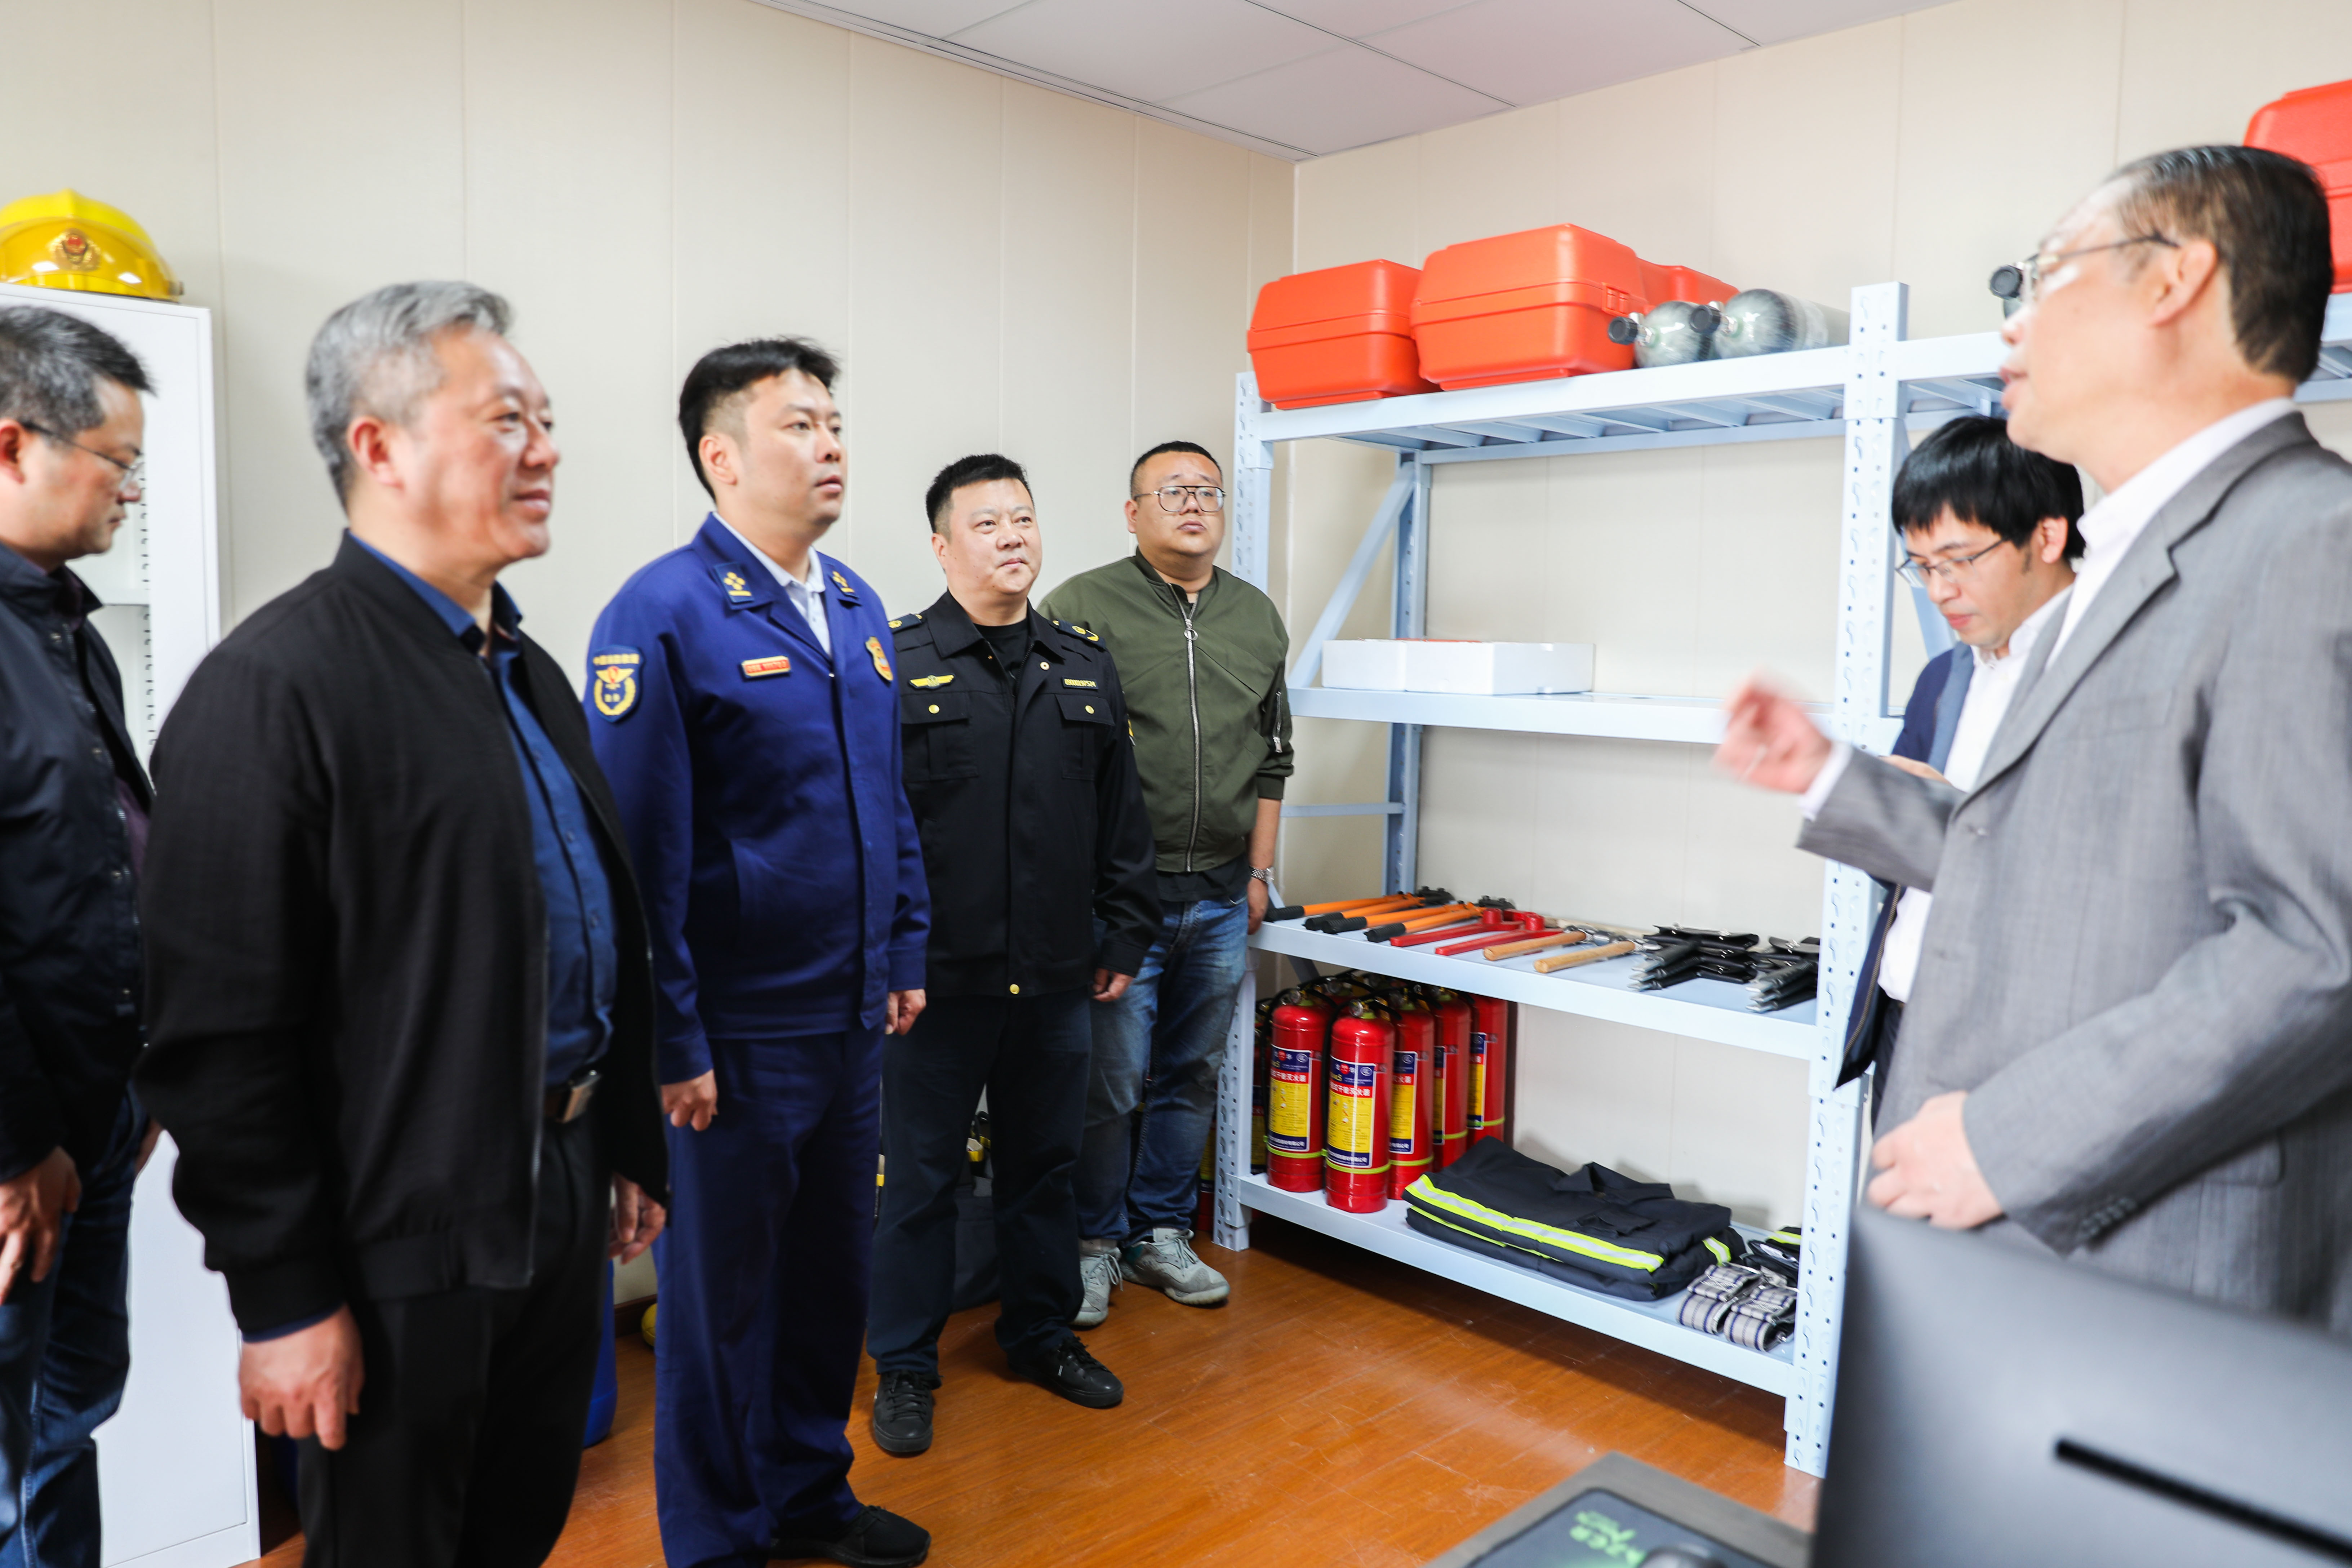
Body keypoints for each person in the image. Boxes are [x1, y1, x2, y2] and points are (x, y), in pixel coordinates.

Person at [1719, 146, 2352, 1329]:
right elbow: (2039, 859)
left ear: (2174, 281)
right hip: (2022, 1223)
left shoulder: (2316, 544)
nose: (2013, 318)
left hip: (2148, 1258)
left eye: (2048, 273)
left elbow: (2315, 951)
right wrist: (1829, 776)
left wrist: (2007, 1140)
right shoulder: (2133, 564)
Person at [134, 282, 669, 1567]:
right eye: (507, 419)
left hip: (553, 1184)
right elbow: (217, 1040)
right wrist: (284, 1298)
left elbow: (590, 930)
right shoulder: (273, 688)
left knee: (515, 1522)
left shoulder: (524, 674)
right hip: (395, 1230)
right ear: (378, 445)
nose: (546, 450)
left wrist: (621, 1143)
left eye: (546, 420)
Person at [587, 339, 930, 1568]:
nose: (829, 445)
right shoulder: (660, 613)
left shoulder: (857, 607)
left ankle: (807, 1494)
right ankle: (716, 1539)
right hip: (732, 1039)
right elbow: (638, 859)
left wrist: (904, 947)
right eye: (798, 425)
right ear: (720, 456)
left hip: (850, 1021)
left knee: (831, 1280)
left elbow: (888, 801)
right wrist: (670, 1039)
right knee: (719, 1305)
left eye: (834, 423)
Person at [865, 453, 1159, 1457]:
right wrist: (886, 959)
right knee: (919, 1182)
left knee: (1045, 1168)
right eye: (987, 523)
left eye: (1023, 519)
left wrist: (1125, 932)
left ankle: (1039, 1335)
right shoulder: (895, 663)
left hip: (1057, 976)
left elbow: (1122, 817)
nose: (1011, 538)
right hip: (934, 985)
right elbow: (871, 829)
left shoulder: (1082, 662)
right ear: (942, 546)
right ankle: (905, 1364)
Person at [1039, 440, 1291, 1324]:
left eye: (1208, 491)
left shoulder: (1256, 616)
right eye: (1173, 491)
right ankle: (1093, 1245)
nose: (1194, 505)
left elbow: (1274, 757)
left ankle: (1160, 1233)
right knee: (1110, 1083)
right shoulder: (1080, 608)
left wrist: (1258, 871)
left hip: (1220, 895)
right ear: (1133, 512)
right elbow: (1054, 763)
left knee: (1191, 1072)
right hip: (1122, 904)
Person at [0, 306, 157, 1567]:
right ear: (13, 445)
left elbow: (102, 855)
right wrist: (16, 1146)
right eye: (117, 461)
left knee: (68, 1417)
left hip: (96, 1119)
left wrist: (142, 1077)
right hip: (18, 1144)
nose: (132, 491)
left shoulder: (68, 632)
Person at [1837, 416, 2082, 1106]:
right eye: (1922, 567)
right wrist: (1873, 809)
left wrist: (1957, 822)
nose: (1939, 590)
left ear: (2047, 535)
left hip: (2025, 1052)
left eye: (1959, 561)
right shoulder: (1945, 679)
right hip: (1905, 1023)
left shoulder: (2119, 673)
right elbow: (1899, 874)